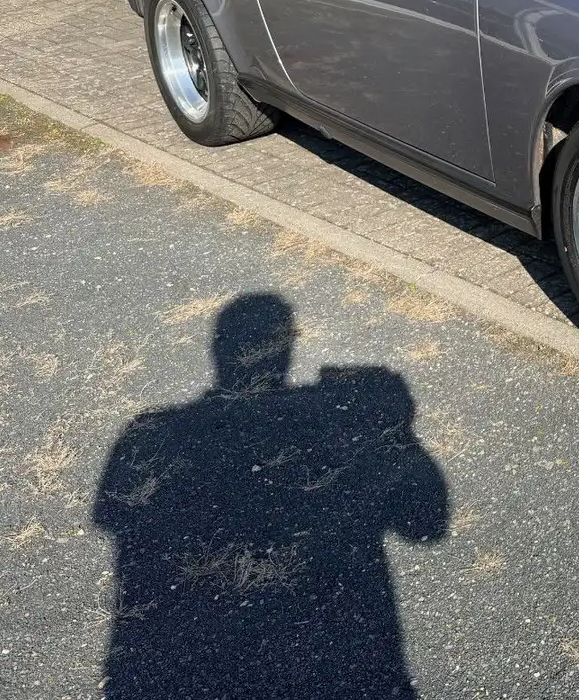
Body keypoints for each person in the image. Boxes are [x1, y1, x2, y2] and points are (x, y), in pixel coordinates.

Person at [94, 293, 448, 699]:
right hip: (339, 652)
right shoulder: (155, 430)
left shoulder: (150, 431)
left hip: (162, 661)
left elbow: (117, 519)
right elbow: (425, 526)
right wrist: (398, 431)